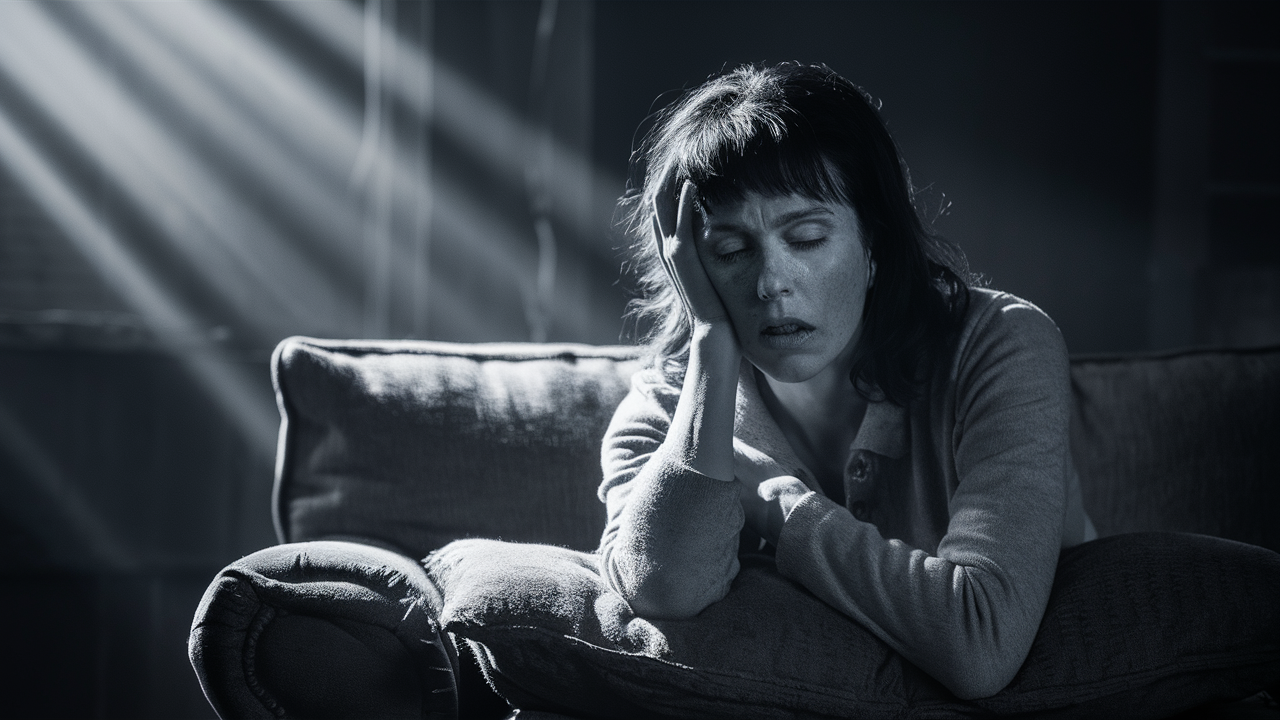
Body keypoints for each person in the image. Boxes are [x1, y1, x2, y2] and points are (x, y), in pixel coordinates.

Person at [595, 62, 1097, 701]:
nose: (770, 282)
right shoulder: (670, 405)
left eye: (806, 238)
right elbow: (662, 589)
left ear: (873, 242)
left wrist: (778, 505)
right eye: (730, 252)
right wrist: (711, 341)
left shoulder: (998, 345)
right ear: (688, 268)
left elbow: (982, 641)